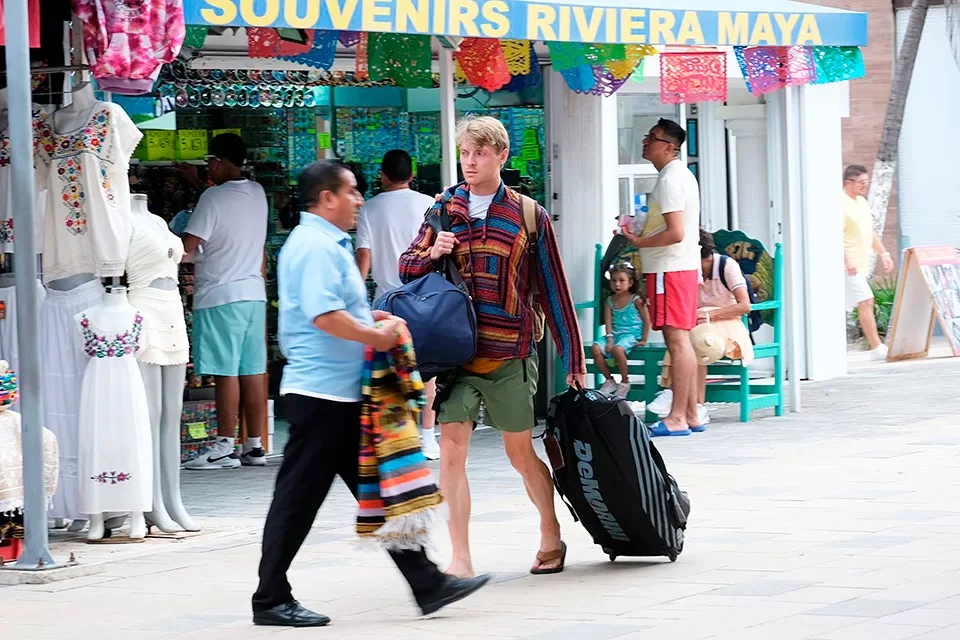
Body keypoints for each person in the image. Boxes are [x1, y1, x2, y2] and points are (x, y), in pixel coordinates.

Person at [251, 160, 489, 628]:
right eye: (353, 192)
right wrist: (375, 337)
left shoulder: (329, 244)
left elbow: (341, 311)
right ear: (327, 198)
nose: (360, 200)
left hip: (342, 394)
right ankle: (269, 599)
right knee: (297, 501)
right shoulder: (314, 246)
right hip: (320, 398)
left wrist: (375, 321)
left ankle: (427, 583)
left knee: (380, 491)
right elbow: (325, 318)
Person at [399, 116, 586, 578]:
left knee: (519, 453)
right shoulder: (443, 209)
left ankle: (549, 532)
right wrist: (432, 252)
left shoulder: (526, 214)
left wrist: (574, 358)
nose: (470, 161)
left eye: (480, 153)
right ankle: (460, 558)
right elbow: (406, 269)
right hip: (458, 355)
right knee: (452, 450)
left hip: (510, 353)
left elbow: (554, 290)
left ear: (501, 156)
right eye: (464, 152)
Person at [180, 133, 269, 468]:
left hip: (220, 295)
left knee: (225, 373)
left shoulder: (212, 200)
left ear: (217, 161)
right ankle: (255, 445)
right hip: (252, 295)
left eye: (209, 163)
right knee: (252, 370)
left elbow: (188, 246)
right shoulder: (258, 193)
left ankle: (224, 445)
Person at [355, 150, 440, 460]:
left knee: (389, 372)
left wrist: (355, 297)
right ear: (412, 174)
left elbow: (364, 255)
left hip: (386, 301)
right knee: (427, 370)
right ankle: (428, 436)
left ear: (382, 175)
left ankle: (395, 438)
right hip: (424, 297)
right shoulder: (427, 204)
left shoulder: (369, 209)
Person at [622, 118, 701, 438]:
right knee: (682, 341)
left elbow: (675, 232)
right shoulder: (678, 175)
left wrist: (639, 242)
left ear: (669, 147)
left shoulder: (670, 179)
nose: (646, 142)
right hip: (679, 267)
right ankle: (692, 413)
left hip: (670, 268)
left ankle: (677, 417)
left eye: (652, 138)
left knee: (677, 341)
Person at [648, 229, 753, 427]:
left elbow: (744, 305)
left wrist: (707, 315)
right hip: (698, 324)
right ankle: (687, 403)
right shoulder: (690, 273)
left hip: (728, 323)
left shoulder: (726, 266)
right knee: (685, 337)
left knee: (696, 340)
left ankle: (683, 397)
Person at [843, 165, 894, 360]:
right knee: (866, 300)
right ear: (849, 183)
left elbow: (869, 232)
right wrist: (847, 259)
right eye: (862, 183)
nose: (865, 186)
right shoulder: (840, 203)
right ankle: (876, 347)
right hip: (848, 266)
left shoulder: (862, 203)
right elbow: (835, 234)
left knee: (845, 306)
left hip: (860, 265)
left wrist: (884, 254)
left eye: (867, 182)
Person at [591, 262, 651, 399]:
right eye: (613, 280)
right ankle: (609, 380)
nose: (617, 284)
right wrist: (609, 339)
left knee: (618, 350)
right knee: (595, 348)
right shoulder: (609, 301)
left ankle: (625, 382)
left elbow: (647, 320)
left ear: (630, 282)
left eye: (621, 280)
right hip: (615, 334)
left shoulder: (635, 300)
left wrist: (644, 339)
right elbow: (608, 322)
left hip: (631, 335)